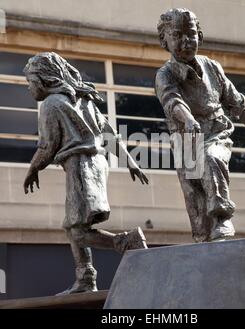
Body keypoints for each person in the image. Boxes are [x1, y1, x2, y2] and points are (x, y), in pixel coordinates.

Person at [23, 52, 149, 295]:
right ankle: (86, 277)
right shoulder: (85, 101)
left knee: (77, 229)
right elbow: (109, 132)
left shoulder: (51, 105)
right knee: (72, 227)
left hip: (81, 166)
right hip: (95, 164)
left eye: (30, 82)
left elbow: (47, 146)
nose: (29, 88)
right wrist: (130, 161)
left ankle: (126, 241)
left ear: (44, 80)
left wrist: (32, 169)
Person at [155, 8, 245, 242]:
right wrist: (187, 120)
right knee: (196, 206)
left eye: (191, 34)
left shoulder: (212, 67)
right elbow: (172, 101)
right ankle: (205, 246)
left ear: (200, 36)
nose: (186, 41)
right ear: (164, 41)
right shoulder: (165, 75)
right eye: (177, 35)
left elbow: (235, 101)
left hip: (215, 132)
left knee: (210, 158)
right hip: (186, 141)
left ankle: (222, 216)